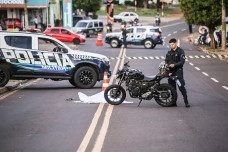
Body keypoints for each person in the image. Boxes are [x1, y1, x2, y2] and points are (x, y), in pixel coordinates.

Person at [165, 38, 190, 108]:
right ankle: (173, 102)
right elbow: (166, 61)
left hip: (178, 71)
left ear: (175, 43)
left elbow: (182, 62)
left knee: (181, 86)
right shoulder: (169, 53)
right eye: (170, 45)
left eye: (172, 44)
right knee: (172, 88)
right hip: (171, 72)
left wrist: (174, 65)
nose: (171, 46)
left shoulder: (180, 51)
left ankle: (186, 102)